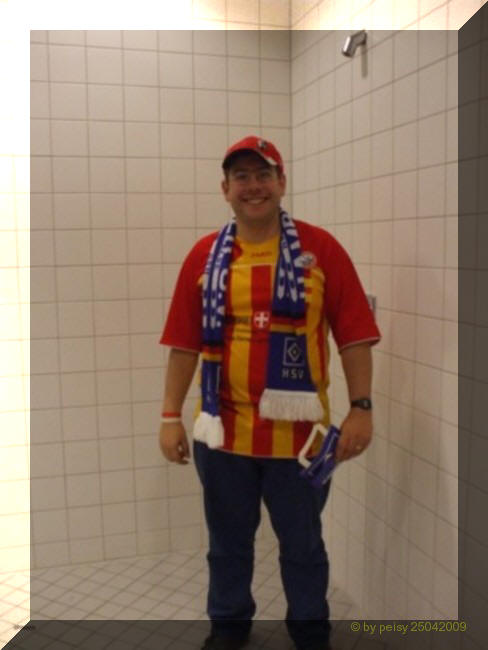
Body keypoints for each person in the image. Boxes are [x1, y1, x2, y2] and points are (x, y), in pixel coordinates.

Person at [159, 135, 381, 650]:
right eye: (241, 177)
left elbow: (354, 335)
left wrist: (362, 408)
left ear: (282, 182)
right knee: (227, 545)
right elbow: (183, 344)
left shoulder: (321, 250)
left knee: (303, 546)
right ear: (225, 188)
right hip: (223, 435)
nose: (253, 186)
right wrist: (170, 416)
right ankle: (228, 627)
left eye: (263, 175)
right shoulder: (203, 257)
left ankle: (310, 631)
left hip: (300, 440)